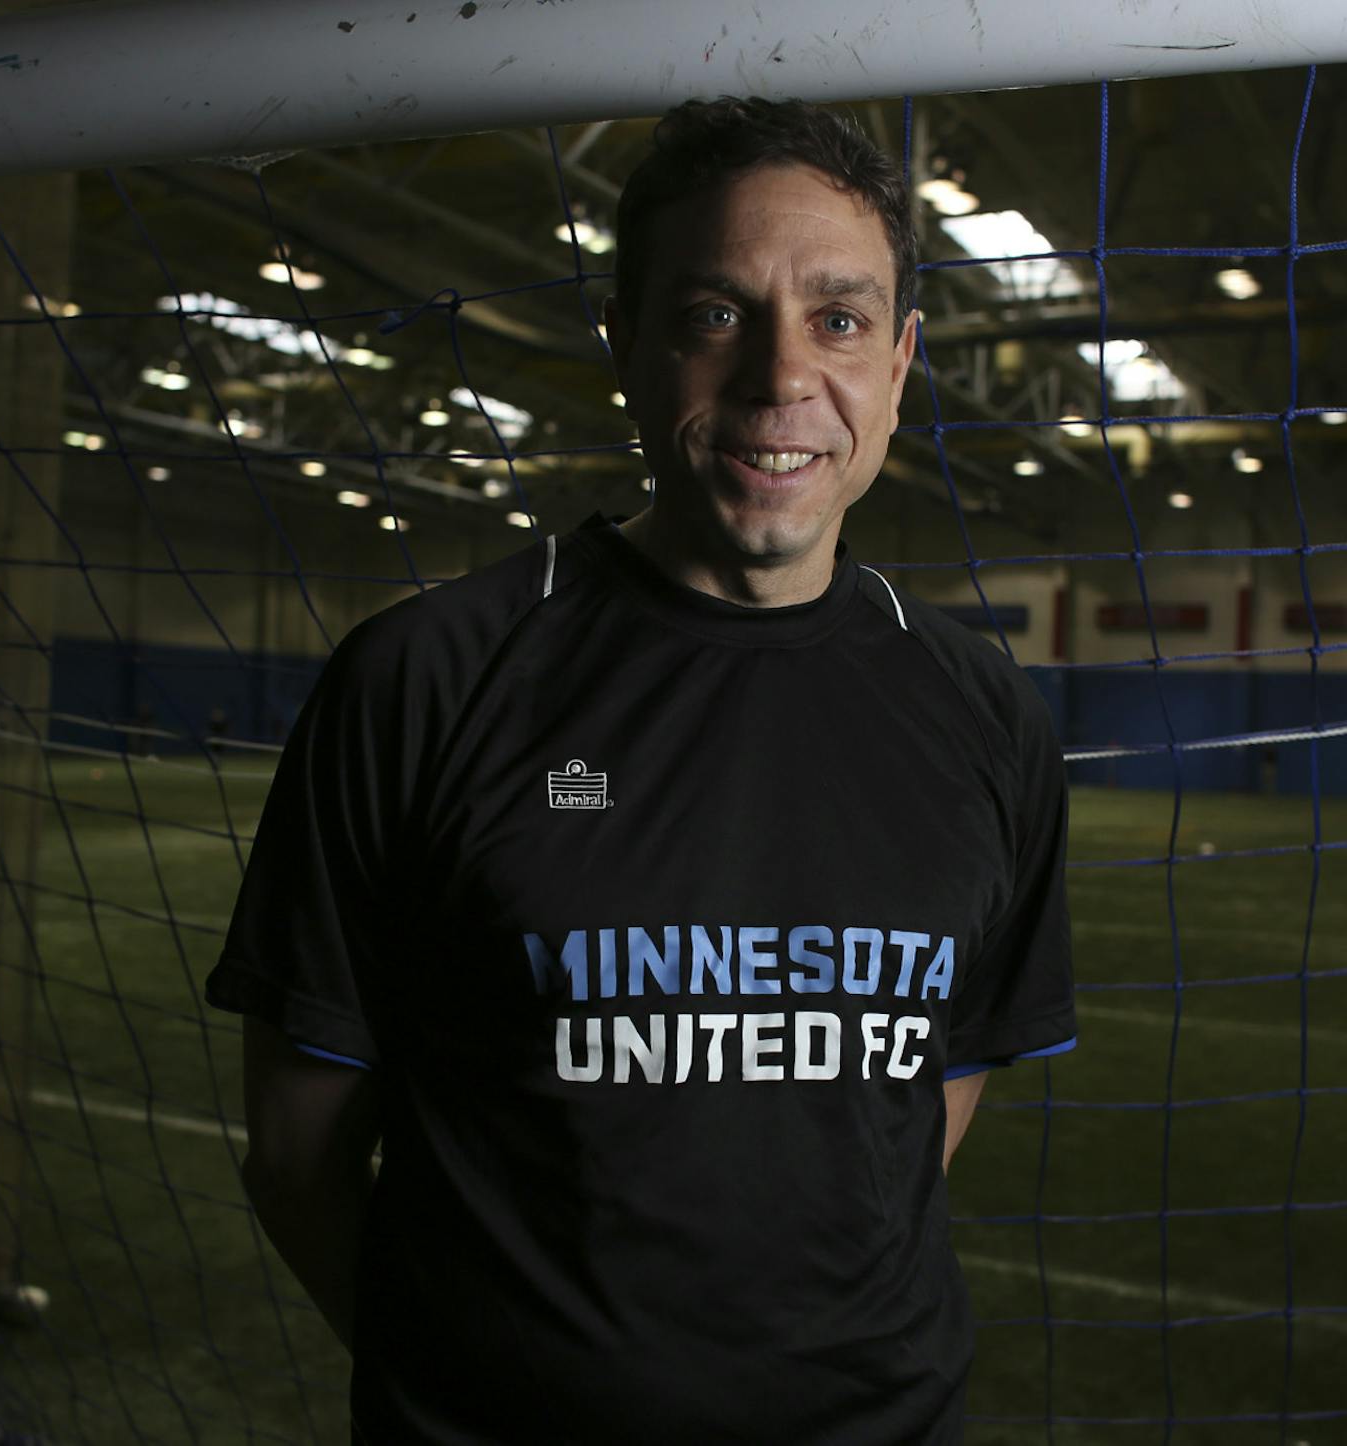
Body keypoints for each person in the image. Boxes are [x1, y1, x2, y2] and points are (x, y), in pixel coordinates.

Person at [207, 96, 1075, 1445]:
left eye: (839, 320)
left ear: (900, 366)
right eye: (716, 313)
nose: (781, 378)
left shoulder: (983, 712)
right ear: (626, 346)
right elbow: (297, 1156)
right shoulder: (426, 682)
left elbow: (920, 1110)